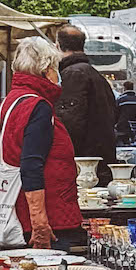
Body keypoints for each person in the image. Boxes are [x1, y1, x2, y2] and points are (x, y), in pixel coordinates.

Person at [0, 34, 82, 249]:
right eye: (54, 68)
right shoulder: (38, 107)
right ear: (46, 69)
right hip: (48, 219)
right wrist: (39, 222)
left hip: (17, 212)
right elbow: (31, 164)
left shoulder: (9, 103)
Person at [52, 23, 117, 187]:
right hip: (99, 163)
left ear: (57, 46)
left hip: (85, 169)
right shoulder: (96, 76)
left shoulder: (73, 75)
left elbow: (69, 125)